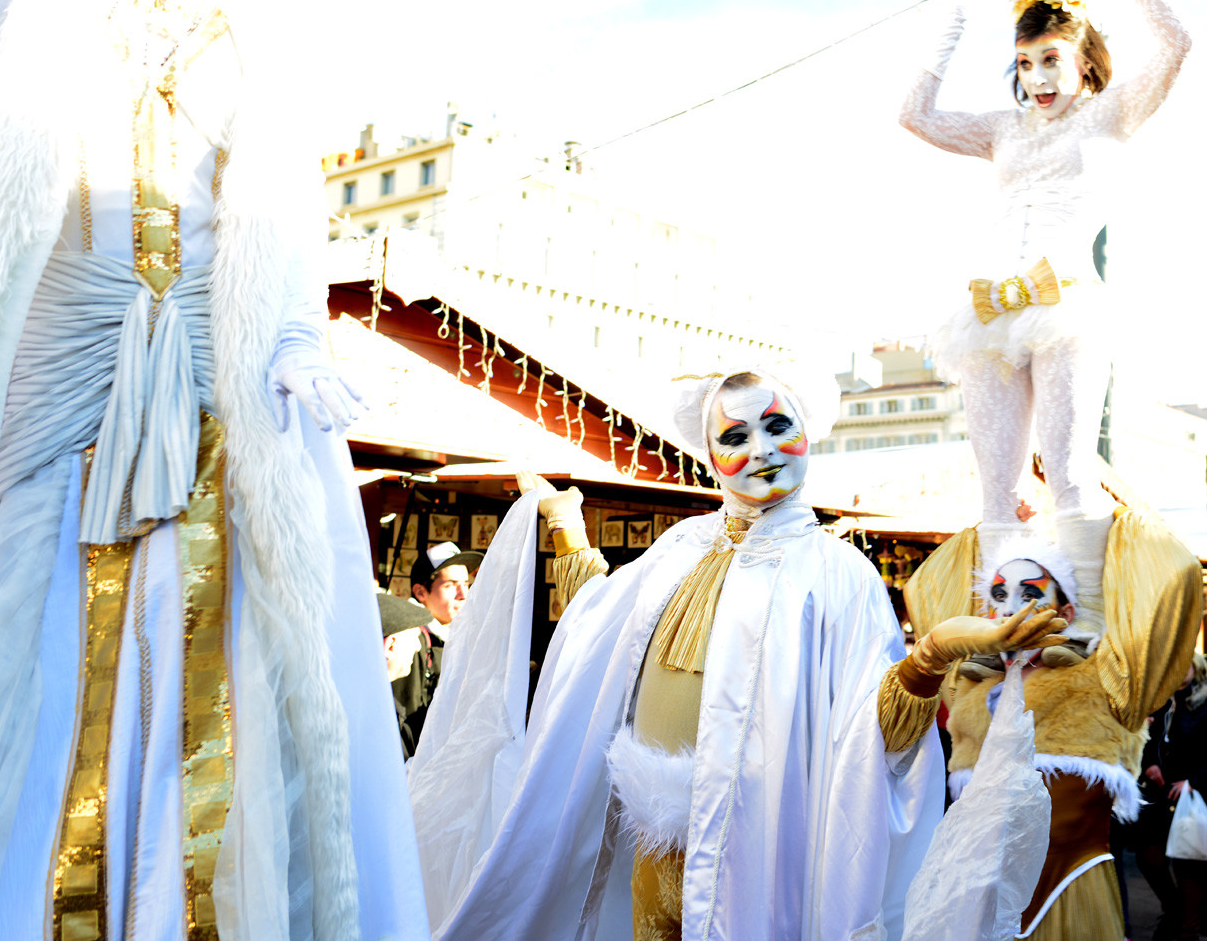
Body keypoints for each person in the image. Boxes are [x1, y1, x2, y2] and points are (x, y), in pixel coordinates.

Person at [0, 0, 426, 938]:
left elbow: (285, 218)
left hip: (220, 402)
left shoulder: (258, 14)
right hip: (59, 395)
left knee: (234, 702)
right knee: (28, 688)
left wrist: (300, 342)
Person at [408, 365, 1065, 940]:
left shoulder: (837, 574)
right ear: (708, 457)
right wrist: (564, 527)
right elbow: (601, 629)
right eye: (734, 436)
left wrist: (928, 660)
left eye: (777, 426)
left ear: (807, 432)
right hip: (650, 840)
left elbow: (876, 740)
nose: (762, 449)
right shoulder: (678, 550)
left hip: (761, 846)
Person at [899, 0, 1191, 627]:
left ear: (1084, 56)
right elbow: (913, 116)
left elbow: (1178, 40)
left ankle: (1084, 629)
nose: (1037, 77)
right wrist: (952, 18)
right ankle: (998, 627)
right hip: (989, 314)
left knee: (1066, 472)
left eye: (1050, 58)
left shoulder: (1114, 111)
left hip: (1067, 307)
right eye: (1024, 64)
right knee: (996, 488)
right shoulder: (1001, 128)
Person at [905, 522, 1201, 941]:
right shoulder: (968, 687)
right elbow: (932, 588)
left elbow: (1171, 583)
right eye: (998, 596)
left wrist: (1077, 497)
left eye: (1029, 595)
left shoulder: (1102, 681)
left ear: (1064, 614)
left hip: (1069, 892)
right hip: (978, 898)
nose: (1009, 610)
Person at [389, 542, 482, 758]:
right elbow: (405, 720)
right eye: (451, 585)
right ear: (421, 592)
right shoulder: (410, 640)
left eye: (466, 584)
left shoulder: (454, 635)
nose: (463, 594)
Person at [1158, 655, 1207, 941]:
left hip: (1196, 795)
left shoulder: (1201, 702)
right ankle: (1184, 921)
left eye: (1183, 665)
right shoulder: (1170, 700)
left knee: (1191, 864)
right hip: (1172, 795)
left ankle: (1189, 928)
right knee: (1177, 861)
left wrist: (1195, 781)